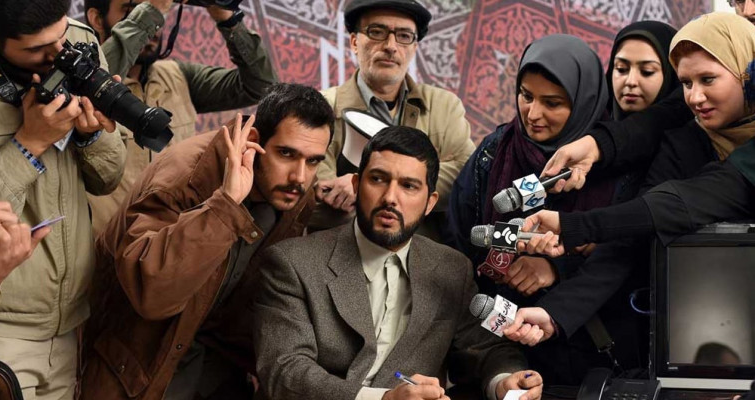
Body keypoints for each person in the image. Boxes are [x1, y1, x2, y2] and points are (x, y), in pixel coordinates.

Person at [80, 83, 334, 399]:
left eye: (313, 161)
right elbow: (152, 293)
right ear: (254, 141)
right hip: (131, 368)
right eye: (286, 154)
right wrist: (226, 204)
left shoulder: (292, 190)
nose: (300, 176)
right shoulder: (185, 176)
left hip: (212, 371)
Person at [255, 125, 542, 400]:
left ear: (430, 203)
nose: (390, 198)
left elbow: (485, 348)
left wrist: (503, 382)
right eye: (378, 179)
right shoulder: (291, 262)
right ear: (356, 185)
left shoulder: (452, 268)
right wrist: (384, 399)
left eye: (408, 186)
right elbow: (285, 372)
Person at [448, 34, 646, 385]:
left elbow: (630, 259)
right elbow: (458, 244)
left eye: (552, 103)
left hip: (595, 360)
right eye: (526, 96)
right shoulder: (493, 154)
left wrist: (558, 267)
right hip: (501, 356)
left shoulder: (620, 164)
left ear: (584, 101)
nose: (533, 114)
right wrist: (500, 264)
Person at [519, 12, 755, 257]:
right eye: (686, 84)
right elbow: (656, 214)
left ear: (747, 74)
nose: (694, 97)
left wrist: (575, 230)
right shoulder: (682, 142)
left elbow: (693, 199)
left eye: (708, 79)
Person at [0, 0, 126, 397]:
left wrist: (91, 134)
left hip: (71, 322)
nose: (57, 54)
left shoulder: (83, 41)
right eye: (37, 49)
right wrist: (28, 143)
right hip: (1, 326)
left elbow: (108, 179)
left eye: (62, 36)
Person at [84, 0, 279, 231]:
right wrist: (153, 10)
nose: (154, 26)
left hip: (170, 243)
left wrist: (228, 19)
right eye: (133, 11)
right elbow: (93, 79)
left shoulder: (178, 76)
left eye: (155, 12)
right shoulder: (83, 84)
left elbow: (262, 86)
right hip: (104, 243)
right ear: (97, 19)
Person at [311, 0, 475, 239]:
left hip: (421, 253)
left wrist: (362, 184)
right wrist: (415, 189)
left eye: (404, 36)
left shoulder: (445, 106)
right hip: (341, 251)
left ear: (415, 47)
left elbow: (465, 177)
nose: (390, 46)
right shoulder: (321, 107)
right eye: (377, 32)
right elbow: (318, 200)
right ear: (354, 42)